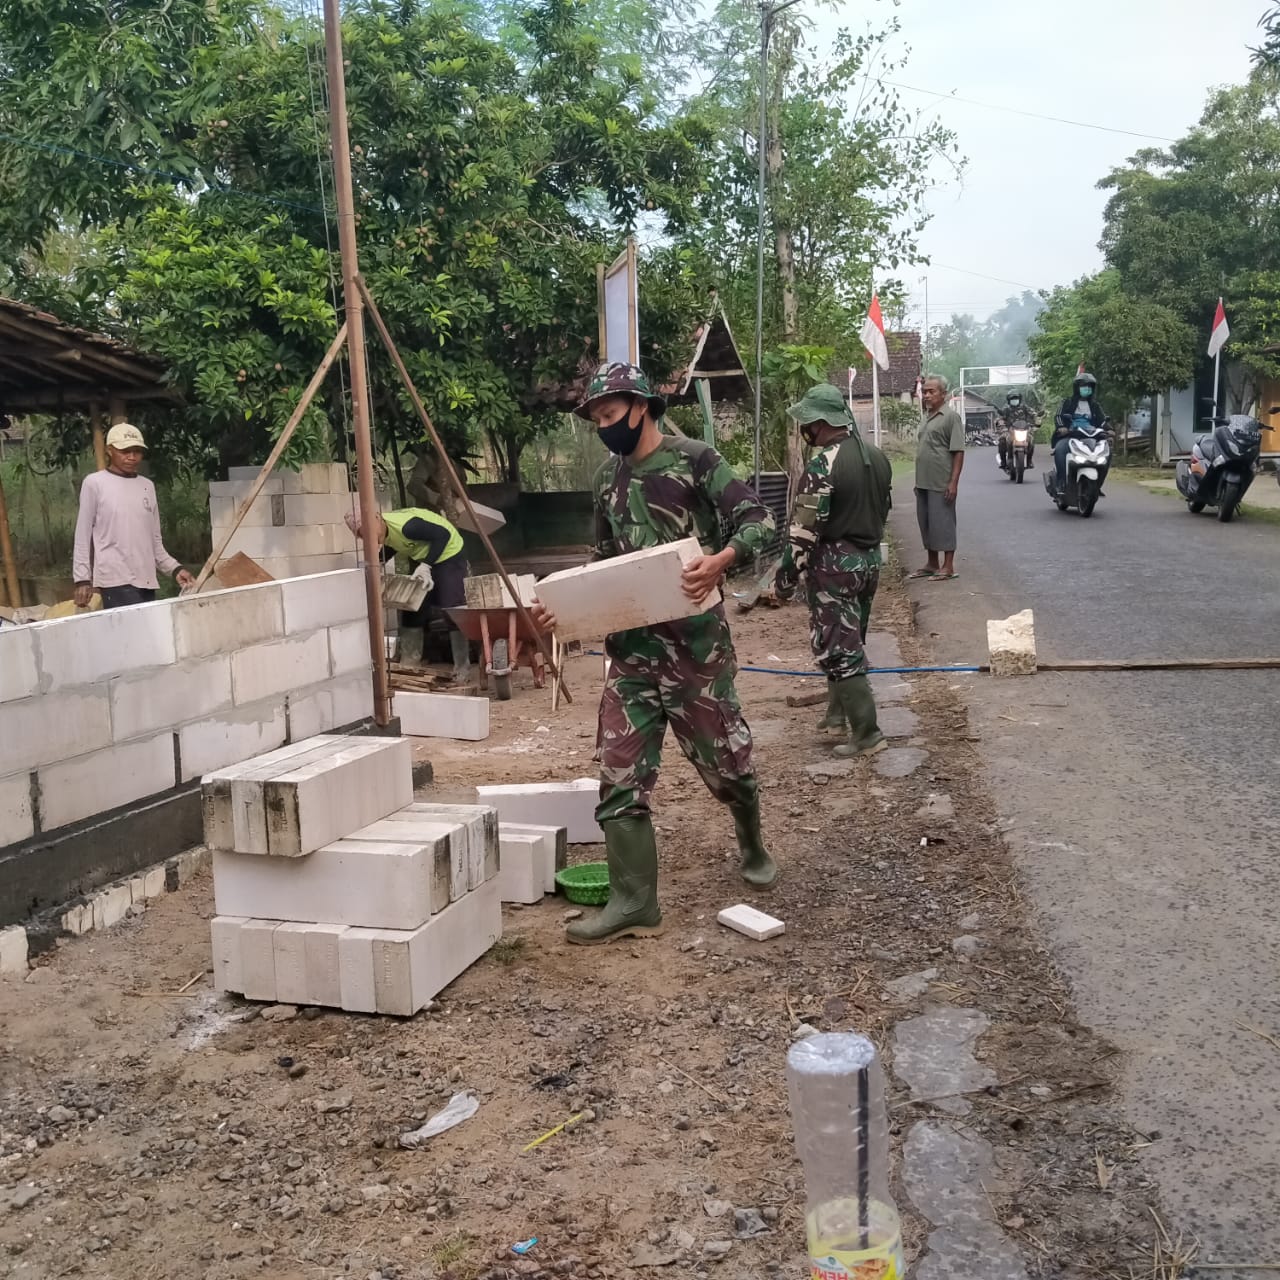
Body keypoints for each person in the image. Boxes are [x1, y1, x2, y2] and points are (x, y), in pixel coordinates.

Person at [529, 361, 777, 946]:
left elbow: (760, 522)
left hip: (696, 654)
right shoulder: (607, 482)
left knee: (727, 768)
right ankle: (634, 901)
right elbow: (605, 562)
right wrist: (563, 607)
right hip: (632, 657)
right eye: (595, 420)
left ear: (641, 407)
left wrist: (721, 560)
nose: (603, 427)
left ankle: (751, 838)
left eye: (609, 415)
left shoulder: (697, 461)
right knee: (620, 776)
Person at [772, 383, 892, 757]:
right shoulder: (877, 456)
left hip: (835, 567)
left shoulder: (824, 464)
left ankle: (867, 733)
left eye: (807, 421)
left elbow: (805, 530)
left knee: (841, 649)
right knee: (851, 639)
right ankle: (836, 715)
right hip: (869, 562)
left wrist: (786, 575)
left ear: (821, 423)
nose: (804, 429)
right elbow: (883, 511)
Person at [72, 423, 193, 609]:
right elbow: (82, 535)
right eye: (125, 451)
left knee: (144, 636)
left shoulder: (146, 486)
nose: (132, 457)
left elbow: (154, 542)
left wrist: (175, 569)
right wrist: (82, 579)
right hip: (115, 580)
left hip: (146, 580)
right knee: (129, 635)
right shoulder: (95, 483)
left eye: (137, 451)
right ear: (110, 450)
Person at [344, 506, 471, 680]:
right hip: (425, 556)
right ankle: (410, 665)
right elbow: (394, 543)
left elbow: (443, 535)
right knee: (412, 607)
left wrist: (426, 565)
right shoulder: (384, 531)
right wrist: (378, 563)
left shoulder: (408, 526)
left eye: (368, 531)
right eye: (362, 535)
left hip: (449, 554)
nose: (368, 537)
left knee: (451, 608)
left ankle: (462, 668)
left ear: (377, 518)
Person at [910, 375, 965, 582]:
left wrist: (953, 482)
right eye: (925, 391)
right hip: (922, 480)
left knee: (944, 522)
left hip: (941, 480)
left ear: (943, 394)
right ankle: (932, 563)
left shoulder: (951, 417)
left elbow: (958, 451)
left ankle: (948, 565)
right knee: (926, 522)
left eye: (931, 391)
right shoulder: (926, 417)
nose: (926, 395)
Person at [1052, 371, 1106, 491]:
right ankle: (1061, 482)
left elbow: (1103, 421)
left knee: (1107, 452)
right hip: (1070, 435)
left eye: (1089, 386)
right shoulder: (1067, 402)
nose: (1086, 389)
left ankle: (1098, 485)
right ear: (1077, 388)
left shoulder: (1095, 405)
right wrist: (1062, 428)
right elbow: (1058, 416)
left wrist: (1109, 429)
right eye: (1083, 386)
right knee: (1060, 449)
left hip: (1092, 436)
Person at [996, 391, 1037, 470]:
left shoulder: (1024, 407)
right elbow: (1000, 419)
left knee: (1031, 441)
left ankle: (1029, 461)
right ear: (1009, 400)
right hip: (1010, 430)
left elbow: (1033, 414)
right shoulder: (1006, 409)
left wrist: (1035, 419)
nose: (1014, 400)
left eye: (1016, 399)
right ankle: (1003, 462)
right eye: (1012, 399)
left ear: (1019, 399)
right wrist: (1001, 425)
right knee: (1001, 441)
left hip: (1024, 430)